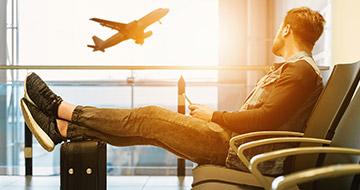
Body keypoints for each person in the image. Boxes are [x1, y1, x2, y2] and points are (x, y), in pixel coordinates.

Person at [20, 7, 325, 175]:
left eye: (277, 29)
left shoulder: (299, 71)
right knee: (150, 130)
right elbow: (266, 117)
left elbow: (266, 119)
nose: (275, 34)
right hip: (237, 144)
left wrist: (214, 115)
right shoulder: (297, 70)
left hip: (240, 151)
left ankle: (61, 109)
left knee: (150, 117)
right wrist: (215, 117)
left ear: (286, 29)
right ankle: (63, 128)